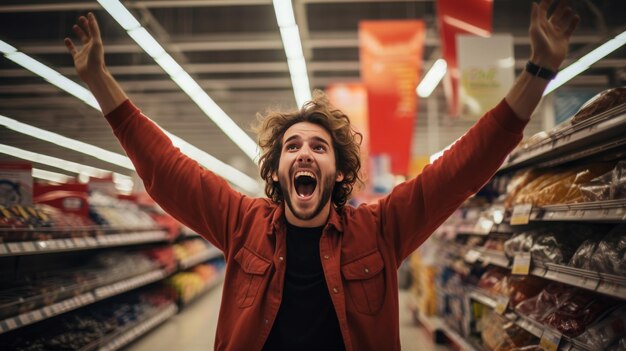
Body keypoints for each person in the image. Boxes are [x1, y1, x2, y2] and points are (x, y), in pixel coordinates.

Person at [64, 1, 579, 350]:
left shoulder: (380, 229)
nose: (304, 154)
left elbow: (464, 167)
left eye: (318, 146)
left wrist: (538, 71)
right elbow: (166, 167)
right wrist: (100, 82)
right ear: (278, 170)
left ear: (336, 172)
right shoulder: (242, 224)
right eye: (292, 147)